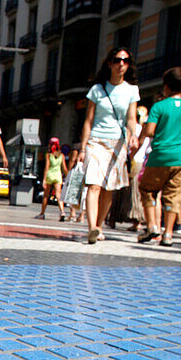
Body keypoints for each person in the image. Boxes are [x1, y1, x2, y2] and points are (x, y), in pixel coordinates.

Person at [136, 66, 181, 247]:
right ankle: (168, 234)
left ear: (166, 86)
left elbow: (149, 131)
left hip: (159, 157)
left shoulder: (159, 106)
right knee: (173, 197)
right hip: (180, 158)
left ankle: (152, 226)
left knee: (148, 190)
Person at [78, 47, 139, 244]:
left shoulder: (131, 90)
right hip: (96, 141)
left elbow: (131, 118)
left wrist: (133, 135)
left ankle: (99, 226)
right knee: (94, 184)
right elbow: (88, 120)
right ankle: (91, 228)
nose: (121, 63)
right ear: (110, 63)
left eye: (125, 60)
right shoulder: (97, 89)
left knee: (108, 188)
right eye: (117, 60)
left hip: (117, 143)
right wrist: (83, 147)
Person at [37, 137, 67, 220]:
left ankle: (42, 214)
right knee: (58, 195)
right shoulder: (61, 155)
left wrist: (44, 179)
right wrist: (67, 177)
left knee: (46, 195)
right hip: (58, 176)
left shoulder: (48, 155)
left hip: (50, 175)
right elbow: (64, 168)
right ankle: (62, 212)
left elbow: (46, 167)